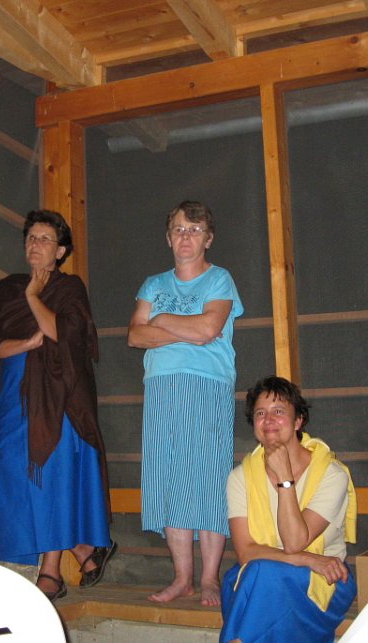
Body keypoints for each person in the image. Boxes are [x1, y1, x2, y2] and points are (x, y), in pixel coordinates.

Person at [0, 209, 116, 601]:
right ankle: (84, 549)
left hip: (59, 395)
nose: (35, 245)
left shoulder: (69, 288)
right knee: (17, 473)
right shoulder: (5, 289)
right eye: (31, 238)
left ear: (61, 251)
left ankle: (50, 571)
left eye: (45, 239)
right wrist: (26, 343)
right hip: (13, 393)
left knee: (52, 474)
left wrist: (34, 297)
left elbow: (62, 334)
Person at [128, 200, 243, 606]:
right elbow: (135, 336)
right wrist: (183, 330)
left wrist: (160, 322)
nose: (186, 237)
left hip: (207, 384)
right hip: (161, 387)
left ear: (208, 239)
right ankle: (182, 578)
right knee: (168, 477)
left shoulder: (219, 280)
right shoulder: (153, 284)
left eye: (194, 230)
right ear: (168, 238)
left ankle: (210, 578)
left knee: (209, 477)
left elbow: (209, 329)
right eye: (179, 229)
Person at [220, 376, 357, 643]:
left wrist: (285, 479)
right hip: (266, 575)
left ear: (298, 421)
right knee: (258, 574)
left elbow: (294, 542)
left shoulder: (331, 475)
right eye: (260, 413)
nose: (268, 420)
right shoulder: (240, 478)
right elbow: (246, 551)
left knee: (263, 576)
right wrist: (308, 559)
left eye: (279, 411)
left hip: (322, 580)